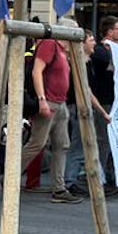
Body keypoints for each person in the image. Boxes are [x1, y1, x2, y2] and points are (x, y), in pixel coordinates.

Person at [20, 18, 81, 204]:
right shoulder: (50, 45)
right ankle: (10, 175)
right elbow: (37, 71)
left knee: (62, 145)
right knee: (37, 143)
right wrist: (42, 100)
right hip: (50, 102)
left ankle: (59, 188)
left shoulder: (62, 50)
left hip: (60, 103)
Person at [87, 16, 118, 196]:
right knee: (103, 140)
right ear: (110, 32)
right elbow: (114, 66)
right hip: (103, 101)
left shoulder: (115, 50)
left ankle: (110, 176)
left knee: (110, 141)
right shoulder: (102, 52)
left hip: (113, 100)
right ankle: (98, 179)